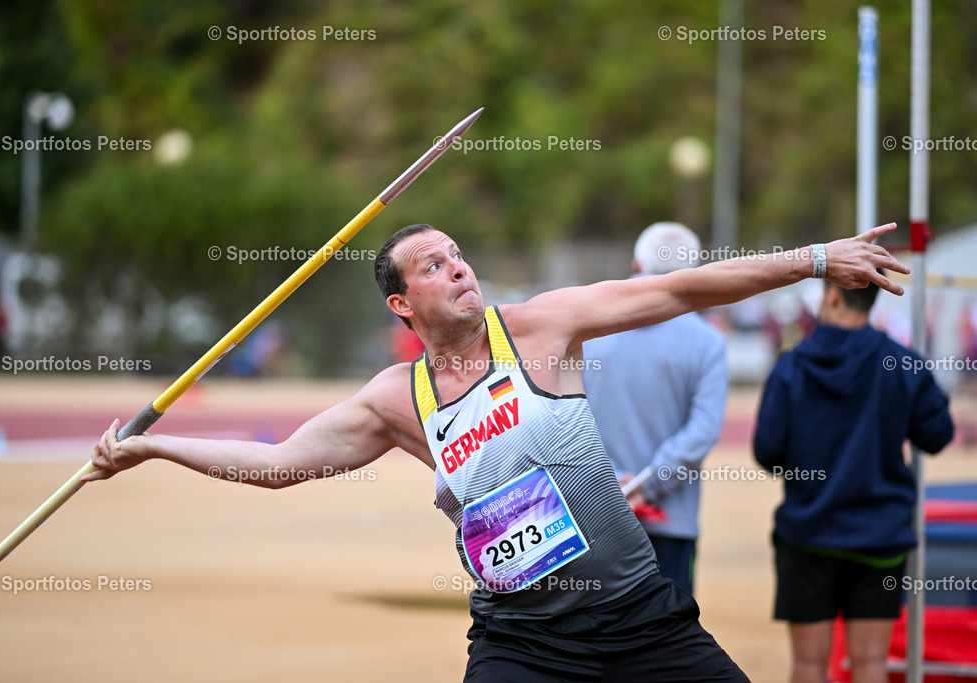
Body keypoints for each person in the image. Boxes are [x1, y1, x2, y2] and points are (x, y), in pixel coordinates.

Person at [88, 222, 908, 681]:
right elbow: (279, 465)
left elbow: (678, 288)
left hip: (640, 618)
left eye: (458, 254)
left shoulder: (541, 327)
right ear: (402, 303)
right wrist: (152, 446)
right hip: (523, 643)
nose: (458, 267)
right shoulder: (396, 399)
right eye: (433, 265)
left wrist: (814, 260)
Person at [753, 275, 954, 683]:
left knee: (809, 664)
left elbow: (768, 449)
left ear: (832, 295)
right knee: (870, 662)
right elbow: (937, 434)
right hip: (880, 534)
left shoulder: (791, 366)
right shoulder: (902, 362)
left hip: (808, 532)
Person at [583, 222, 726, 595]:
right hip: (671, 522)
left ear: (636, 265)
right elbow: (702, 431)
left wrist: (614, 483)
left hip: (594, 516)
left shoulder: (590, 333)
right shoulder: (708, 343)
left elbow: (566, 421)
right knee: (669, 628)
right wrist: (647, 484)